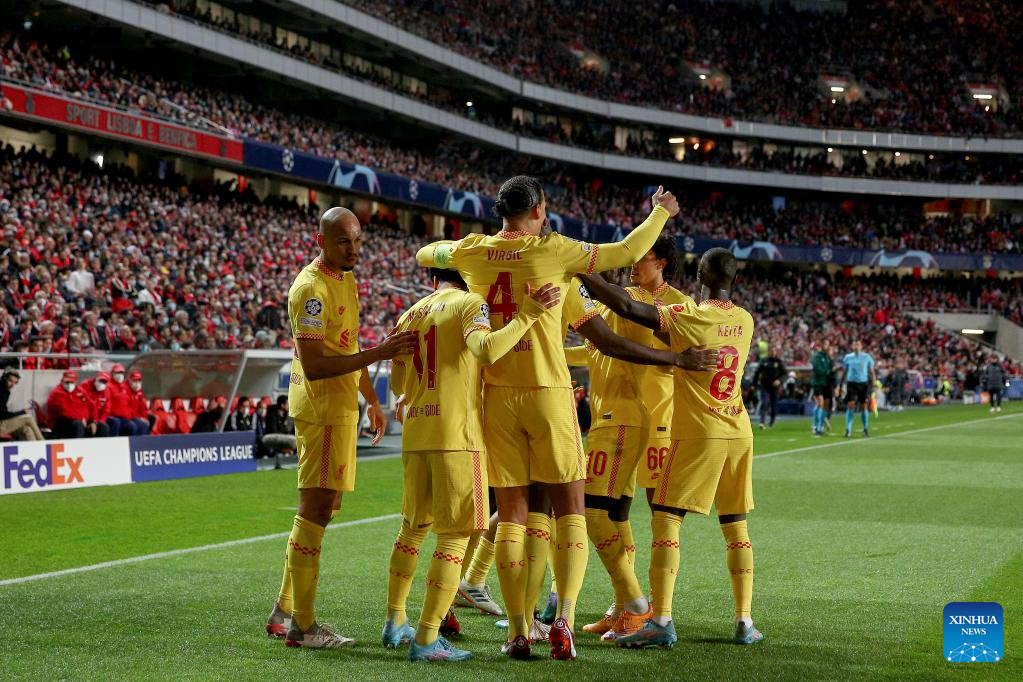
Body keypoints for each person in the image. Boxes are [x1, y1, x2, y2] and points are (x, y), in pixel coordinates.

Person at [417, 176, 679, 660]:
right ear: (539, 208)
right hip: (549, 394)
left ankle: (518, 629)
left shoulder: (471, 251)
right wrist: (661, 211)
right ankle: (564, 620)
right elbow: (625, 250)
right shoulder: (554, 251)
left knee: (513, 515)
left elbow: (427, 254)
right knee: (570, 509)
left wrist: (446, 250)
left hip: (494, 396)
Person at [579, 247, 764, 648]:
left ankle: (660, 620)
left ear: (698, 276)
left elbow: (629, 308)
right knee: (735, 526)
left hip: (701, 431)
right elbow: (668, 331)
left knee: (665, 517)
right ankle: (745, 621)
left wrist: (578, 268)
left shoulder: (691, 316)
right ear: (734, 280)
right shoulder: (745, 320)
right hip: (739, 429)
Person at [382, 267, 560, 662]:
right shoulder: (469, 303)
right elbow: (486, 349)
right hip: (457, 436)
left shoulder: (409, 313)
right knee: (455, 537)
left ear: (431, 276)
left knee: (412, 530)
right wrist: (528, 314)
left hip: (416, 433)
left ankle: (396, 619)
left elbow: (397, 386)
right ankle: (427, 638)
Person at [265, 207, 417, 649]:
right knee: (314, 510)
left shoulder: (344, 280)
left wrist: (371, 398)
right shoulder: (311, 290)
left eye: (357, 241)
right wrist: (381, 352)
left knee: (326, 508)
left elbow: (347, 346)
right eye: (343, 242)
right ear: (321, 242)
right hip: (322, 409)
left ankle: (285, 609)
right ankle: (304, 627)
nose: (353, 250)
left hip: (341, 409)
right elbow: (315, 366)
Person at [563, 236, 696, 642]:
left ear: (664, 262)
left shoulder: (678, 305)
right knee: (617, 512)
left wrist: (579, 265)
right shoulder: (623, 296)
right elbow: (597, 347)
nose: (633, 263)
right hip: (614, 416)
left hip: (652, 419)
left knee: (657, 516)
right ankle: (625, 607)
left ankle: (651, 610)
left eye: (643, 257)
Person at [46, 371, 104, 438]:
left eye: (72, 382)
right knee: (78, 424)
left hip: (81, 420)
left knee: (102, 426)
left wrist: (94, 421)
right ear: (62, 381)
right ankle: (77, 447)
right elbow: (65, 412)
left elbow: (92, 405)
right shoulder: (57, 393)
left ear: (75, 382)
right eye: (67, 382)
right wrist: (81, 418)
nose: (69, 385)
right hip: (60, 422)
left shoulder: (80, 391)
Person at [842, 340, 876, 437]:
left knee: (864, 406)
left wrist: (873, 383)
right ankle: (848, 430)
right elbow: (845, 371)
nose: (856, 346)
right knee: (850, 405)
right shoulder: (848, 357)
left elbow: (872, 372)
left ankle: (865, 429)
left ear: (861, 346)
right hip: (851, 384)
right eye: (854, 344)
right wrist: (840, 384)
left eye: (858, 344)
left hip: (863, 384)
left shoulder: (867, 357)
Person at [0, 368, 44, 440]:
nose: (12, 384)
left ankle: (36, 450)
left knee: (27, 429)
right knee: (28, 418)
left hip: (3, 424)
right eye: (10, 381)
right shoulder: (1, 392)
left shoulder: (5, 390)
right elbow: (3, 415)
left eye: (15, 382)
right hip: (1, 425)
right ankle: (43, 444)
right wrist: (22, 412)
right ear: (4, 378)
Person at [753, 351, 785, 429]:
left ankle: (772, 420)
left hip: (774, 387)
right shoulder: (764, 361)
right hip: (764, 386)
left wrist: (779, 380)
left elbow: (784, 374)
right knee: (764, 403)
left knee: (773, 405)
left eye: (774, 351)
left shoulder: (779, 362)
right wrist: (754, 384)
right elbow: (757, 372)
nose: (773, 353)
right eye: (772, 351)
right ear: (769, 352)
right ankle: (762, 422)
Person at [810, 340, 833, 436]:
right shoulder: (817, 356)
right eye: (824, 343)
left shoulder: (828, 357)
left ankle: (820, 427)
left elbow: (831, 370)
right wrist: (827, 371)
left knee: (825, 405)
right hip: (818, 383)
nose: (826, 345)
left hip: (826, 384)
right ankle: (815, 426)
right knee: (820, 403)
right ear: (821, 345)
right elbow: (817, 369)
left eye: (827, 344)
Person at [79, 372, 112, 438]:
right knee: (80, 425)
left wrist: (97, 422)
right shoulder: (85, 386)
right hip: (83, 416)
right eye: (100, 380)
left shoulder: (106, 391)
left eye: (104, 382)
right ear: (96, 378)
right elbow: (80, 404)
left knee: (104, 426)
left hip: (96, 417)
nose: (101, 383)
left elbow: (106, 410)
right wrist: (82, 417)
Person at [126, 370, 151, 434]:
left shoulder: (140, 392)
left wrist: (144, 418)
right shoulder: (125, 391)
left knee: (151, 419)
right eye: (134, 381)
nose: (137, 383)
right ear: (130, 381)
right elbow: (127, 409)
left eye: (139, 381)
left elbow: (143, 408)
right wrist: (140, 418)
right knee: (141, 424)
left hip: (137, 417)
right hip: (129, 417)